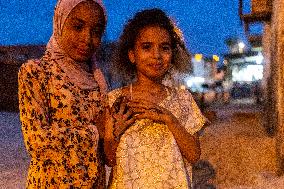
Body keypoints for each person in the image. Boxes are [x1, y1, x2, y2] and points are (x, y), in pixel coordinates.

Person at [104, 8, 207, 188]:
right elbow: (109, 160)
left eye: (164, 48)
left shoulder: (183, 100)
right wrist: (114, 133)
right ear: (131, 55)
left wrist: (170, 120)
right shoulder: (115, 101)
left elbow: (194, 155)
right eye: (146, 47)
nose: (156, 55)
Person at [18, 0, 107, 188]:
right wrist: (95, 132)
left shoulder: (98, 80)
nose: (87, 38)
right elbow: (36, 141)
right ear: (60, 22)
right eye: (78, 27)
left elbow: (104, 151)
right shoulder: (36, 72)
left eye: (96, 31)